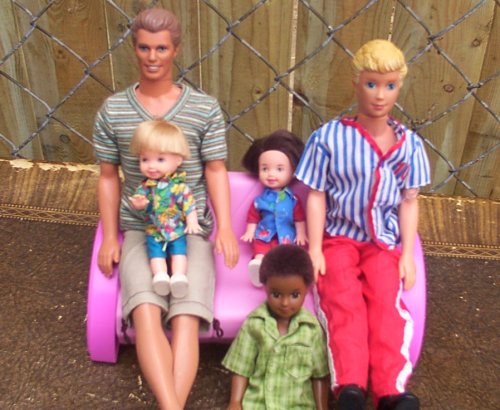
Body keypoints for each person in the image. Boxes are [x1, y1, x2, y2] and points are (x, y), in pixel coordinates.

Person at [93, 7, 239, 410]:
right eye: (144, 47)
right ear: (134, 49)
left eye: (161, 48)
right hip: (140, 230)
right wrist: (110, 236)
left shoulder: (203, 109)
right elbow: (108, 176)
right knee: (145, 310)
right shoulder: (114, 111)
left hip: (191, 231)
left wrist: (225, 226)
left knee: (185, 316)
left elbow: (215, 169)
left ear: (175, 50)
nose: (152, 57)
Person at [295, 39, 431, 410]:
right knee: (343, 302)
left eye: (390, 85)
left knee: (387, 306)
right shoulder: (329, 137)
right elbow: (316, 195)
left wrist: (406, 253)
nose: (380, 95)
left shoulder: (409, 145)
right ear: (356, 83)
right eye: (371, 84)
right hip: (339, 237)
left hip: (383, 242)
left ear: (400, 86)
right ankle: (350, 386)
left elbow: (409, 201)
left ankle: (390, 391)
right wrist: (317, 248)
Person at [222, 244, 330, 410]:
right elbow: (241, 367)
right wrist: (235, 401)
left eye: (294, 295)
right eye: (276, 294)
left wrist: (322, 407)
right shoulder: (254, 324)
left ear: (306, 289)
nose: (285, 303)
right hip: (258, 405)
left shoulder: (312, 330)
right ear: (265, 287)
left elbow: (319, 375)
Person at [129, 120, 202, 298]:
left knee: (179, 252)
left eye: (160, 159)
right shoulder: (146, 186)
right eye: (145, 159)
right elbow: (141, 202)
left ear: (178, 160)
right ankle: (160, 276)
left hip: (176, 230)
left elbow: (189, 205)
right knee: (155, 255)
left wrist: (192, 221)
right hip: (154, 230)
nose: (151, 166)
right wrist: (139, 204)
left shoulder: (179, 186)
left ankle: (178, 276)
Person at [240, 130, 307, 287]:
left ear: (292, 172)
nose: (271, 174)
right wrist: (250, 232)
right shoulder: (260, 201)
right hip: (264, 235)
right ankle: (259, 269)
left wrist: (301, 233)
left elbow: (299, 218)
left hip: (286, 237)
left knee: (286, 256)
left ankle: (284, 275)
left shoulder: (293, 200)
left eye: (279, 169)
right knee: (260, 252)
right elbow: (253, 217)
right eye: (265, 169)